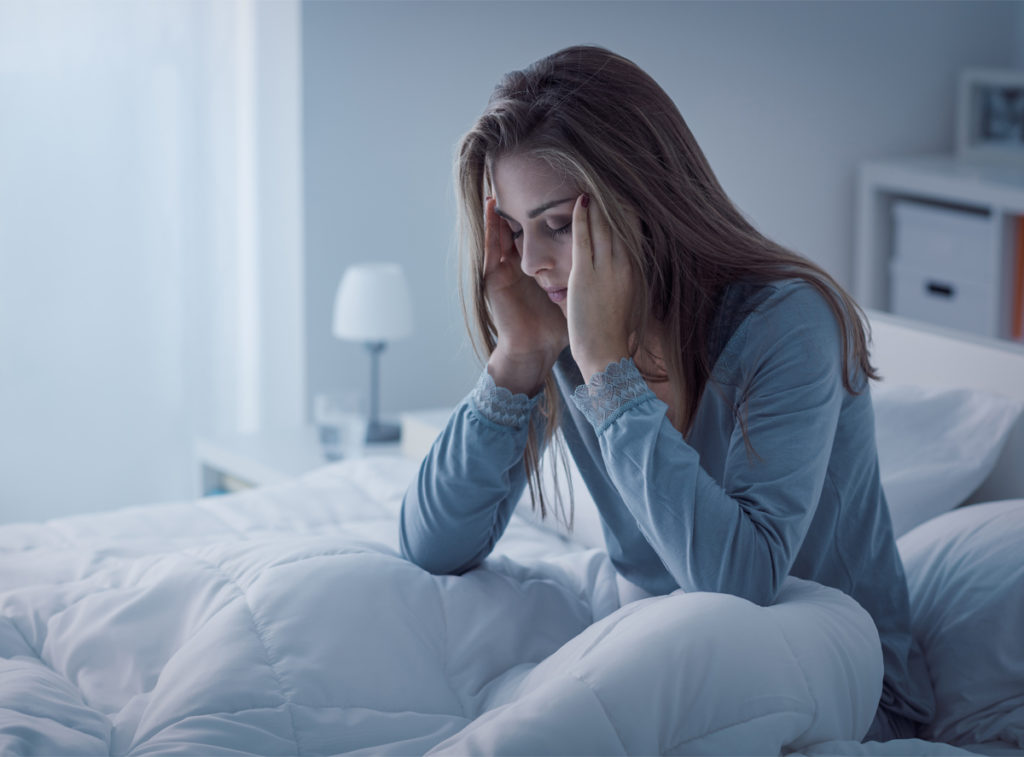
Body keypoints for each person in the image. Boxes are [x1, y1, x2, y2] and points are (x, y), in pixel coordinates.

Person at [399, 44, 934, 742]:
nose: (532, 263)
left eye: (558, 226)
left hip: (850, 688)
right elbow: (431, 545)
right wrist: (519, 354)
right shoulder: (559, 325)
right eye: (516, 232)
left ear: (644, 200)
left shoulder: (788, 323)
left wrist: (606, 369)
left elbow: (739, 585)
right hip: (670, 665)